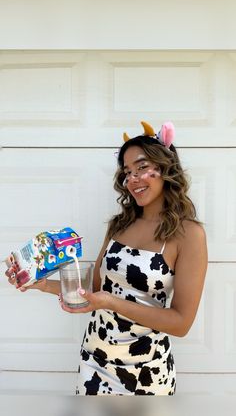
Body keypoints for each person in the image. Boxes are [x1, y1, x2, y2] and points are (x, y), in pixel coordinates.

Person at [5, 121, 208, 395]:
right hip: (95, 361)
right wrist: (39, 283)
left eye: (142, 167)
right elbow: (94, 290)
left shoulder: (188, 234)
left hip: (146, 372)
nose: (133, 178)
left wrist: (111, 302)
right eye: (127, 172)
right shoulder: (119, 225)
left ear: (165, 168)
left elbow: (181, 322)